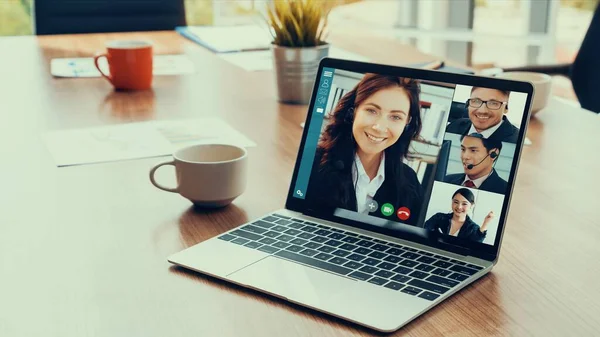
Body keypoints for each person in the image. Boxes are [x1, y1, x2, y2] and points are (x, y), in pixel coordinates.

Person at [305, 73, 424, 225]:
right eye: (372, 111)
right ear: (354, 110)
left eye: (395, 117)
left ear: (407, 122)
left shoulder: (410, 182)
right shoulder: (312, 163)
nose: (379, 127)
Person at [446, 86, 519, 143]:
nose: (482, 110)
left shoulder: (517, 139)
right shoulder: (455, 125)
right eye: (476, 101)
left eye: (493, 103)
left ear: (506, 108)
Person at [424, 188, 493, 243]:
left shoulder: (473, 228)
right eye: (456, 202)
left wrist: (485, 223)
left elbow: (475, 245)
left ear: (471, 205)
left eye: (464, 204)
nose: (459, 207)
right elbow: (424, 230)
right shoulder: (439, 217)